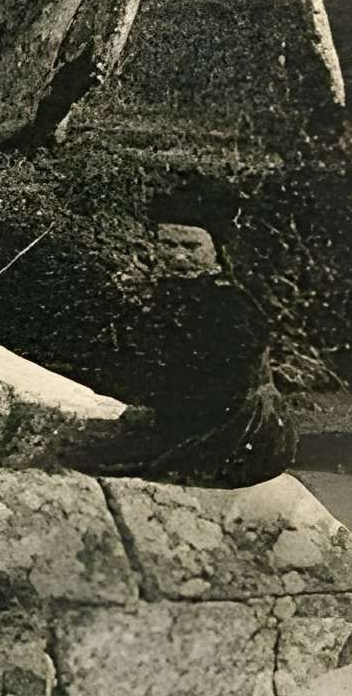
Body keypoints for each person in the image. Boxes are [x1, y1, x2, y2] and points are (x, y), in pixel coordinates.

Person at [101, 200, 296, 486]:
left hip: (233, 426)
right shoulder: (159, 292)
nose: (179, 257)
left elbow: (224, 383)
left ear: (214, 251)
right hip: (186, 415)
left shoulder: (229, 300)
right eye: (169, 245)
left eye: (191, 247)